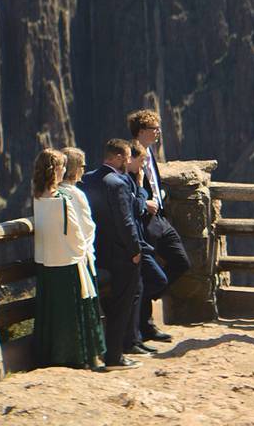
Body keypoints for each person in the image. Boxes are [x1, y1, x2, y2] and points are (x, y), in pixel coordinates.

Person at [31, 148, 105, 370]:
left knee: (52, 311)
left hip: (46, 261)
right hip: (69, 263)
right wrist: (81, 252)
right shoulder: (63, 200)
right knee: (74, 313)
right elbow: (77, 234)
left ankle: (51, 355)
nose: (65, 170)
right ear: (55, 170)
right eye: (62, 167)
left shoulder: (37, 197)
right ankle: (78, 356)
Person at [128, 109, 190, 343]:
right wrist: (144, 203)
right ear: (142, 131)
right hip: (145, 221)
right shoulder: (132, 153)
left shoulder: (150, 152)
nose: (158, 132)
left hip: (160, 219)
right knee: (147, 272)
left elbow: (153, 182)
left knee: (181, 261)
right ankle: (146, 325)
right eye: (154, 129)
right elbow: (127, 188)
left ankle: (146, 300)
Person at [81, 139, 143, 370]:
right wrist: (135, 250)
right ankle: (115, 357)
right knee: (122, 304)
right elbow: (126, 222)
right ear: (116, 158)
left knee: (105, 303)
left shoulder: (87, 180)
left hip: (98, 251)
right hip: (121, 255)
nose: (128, 162)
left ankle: (104, 351)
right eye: (127, 157)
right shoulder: (117, 183)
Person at [124, 140, 170, 354]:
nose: (142, 167)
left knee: (145, 285)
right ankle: (135, 336)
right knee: (150, 283)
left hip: (140, 241)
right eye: (140, 163)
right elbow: (132, 209)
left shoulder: (129, 179)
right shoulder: (122, 181)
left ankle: (140, 331)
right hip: (134, 244)